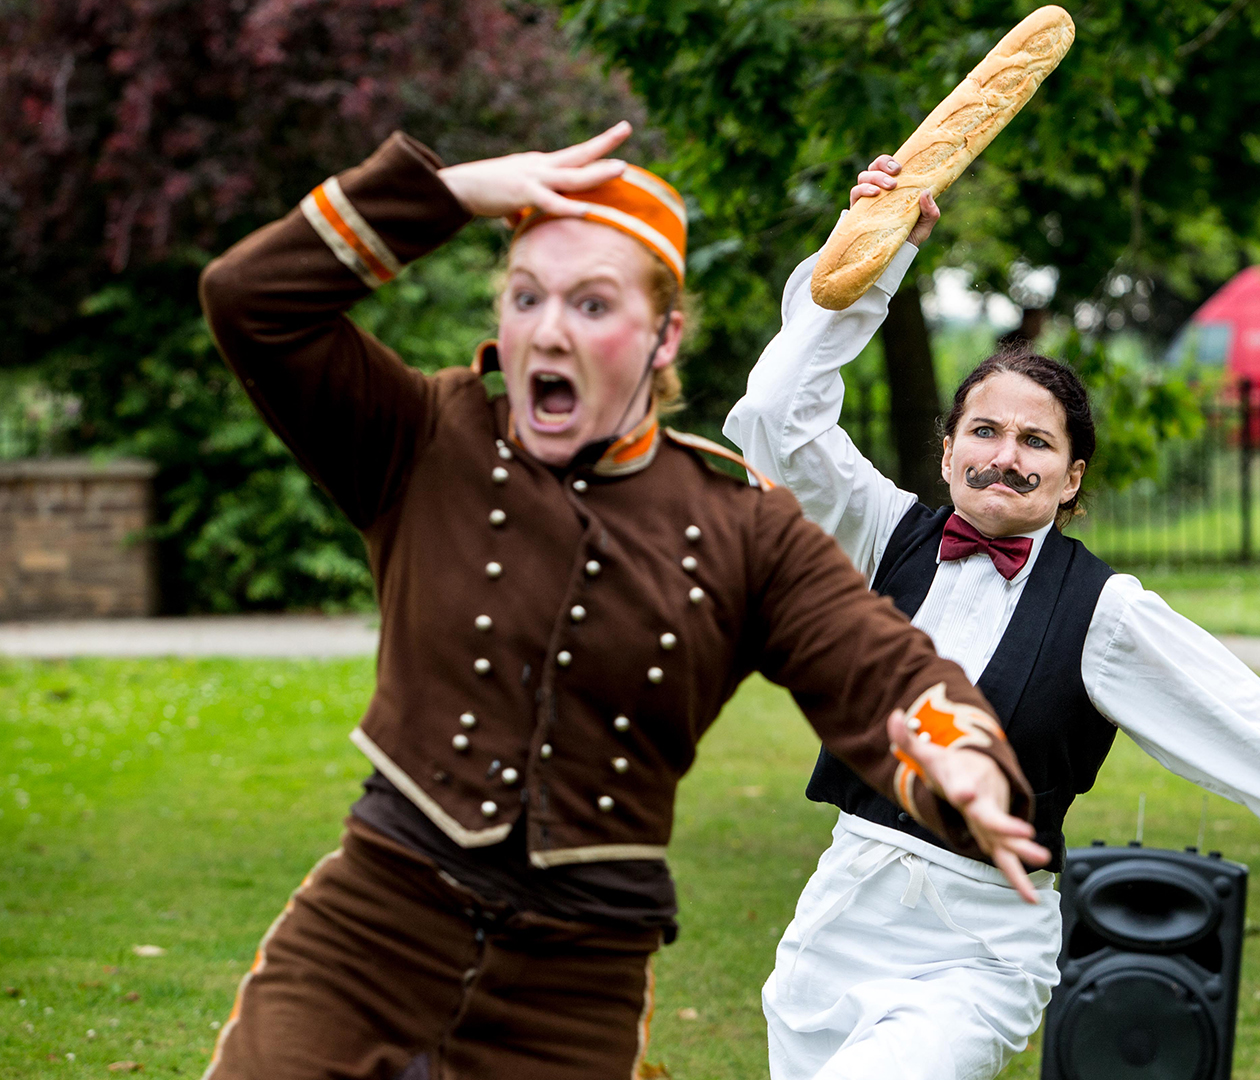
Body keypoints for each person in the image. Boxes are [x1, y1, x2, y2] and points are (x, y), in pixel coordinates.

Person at [195, 124, 1049, 1080]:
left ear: (663, 335)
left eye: (591, 303)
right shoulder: (424, 436)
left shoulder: (738, 522)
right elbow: (251, 301)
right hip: (372, 931)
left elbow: (877, 668)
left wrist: (958, 755)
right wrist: (448, 194)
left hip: (578, 980)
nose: (549, 329)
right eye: (527, 297)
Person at [724, 156, 1260, 1080]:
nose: (1005, 457)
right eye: (984, 433)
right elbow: (776, 414)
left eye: (1036, 442)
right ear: (946, 455)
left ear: (1071, 481)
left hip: (975, 949)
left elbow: (1247, 725)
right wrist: (872, 254)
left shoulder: (1104, 611)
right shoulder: (877, 533)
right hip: (837, 920)